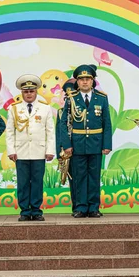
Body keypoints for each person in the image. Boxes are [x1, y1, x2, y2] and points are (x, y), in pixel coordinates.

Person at [61, 64, 112, 218]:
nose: (84, 82)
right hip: (77, 143)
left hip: (96, 143)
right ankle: (81, 207)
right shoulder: (71, 98)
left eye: (87, 79)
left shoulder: (101, 98)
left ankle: (94, 207)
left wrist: (106, 144)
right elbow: (64, 123)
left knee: (94, 176)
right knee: (79, 176)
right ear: (77, 81)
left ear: (93, 80)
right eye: (81, 79)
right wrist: (67, 145)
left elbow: (106, 123)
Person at [6, 74, 55, 221]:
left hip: (39, 151)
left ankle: (36, 210)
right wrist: (11, 150)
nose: (29, 94)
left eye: (31, 91)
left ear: (36, 92)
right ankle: (25, 211)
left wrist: (50, 150)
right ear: (21, 93)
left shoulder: (45, 109)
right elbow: (9, 131)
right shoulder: (14, 109)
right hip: (21, 152)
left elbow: (50, 132)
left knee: (37, 182)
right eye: (26, 91)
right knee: (23, 182)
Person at [56, 80, 77, 212]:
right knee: (72, 178)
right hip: (67, 151)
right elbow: (59, 133)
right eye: (66, 97)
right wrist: (59, 151)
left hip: (81, 147)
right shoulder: (60, 112)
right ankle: (76, 205)